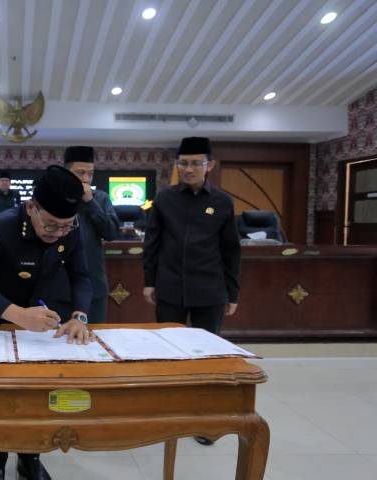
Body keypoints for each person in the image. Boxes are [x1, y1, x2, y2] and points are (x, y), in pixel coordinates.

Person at [0, 165, 93, 480]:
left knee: (38, 394)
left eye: (66, 226)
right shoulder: (2, 226)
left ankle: (30, 458)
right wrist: (19, 315)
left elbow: (81, 275)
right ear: (31, 207)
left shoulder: (72, 229)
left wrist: (79, 316)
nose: (59, 233)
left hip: (42, 325)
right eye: (51, 225)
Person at [141, 136, 240, 445]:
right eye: (183, 163)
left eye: (196, 163)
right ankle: (169, 411)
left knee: (207, 355)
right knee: (167, 351)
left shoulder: (222, 202)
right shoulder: (164, 199)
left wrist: (232, 293)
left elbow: (231, 250)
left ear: (210, 165)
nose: (189, 169)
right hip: (170, 286)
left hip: (210, 289)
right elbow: (152, 243)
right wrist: (149, 280)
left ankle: (205, 419)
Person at [63, 146, 120, 322]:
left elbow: (111, 232)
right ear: (66, 173)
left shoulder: (101, 198)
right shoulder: (54, 197)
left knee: (94, 336)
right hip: (58, 288)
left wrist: (90, 202)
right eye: (80, 173)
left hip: (93, 285)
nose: (86, 179)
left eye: (90, 173)